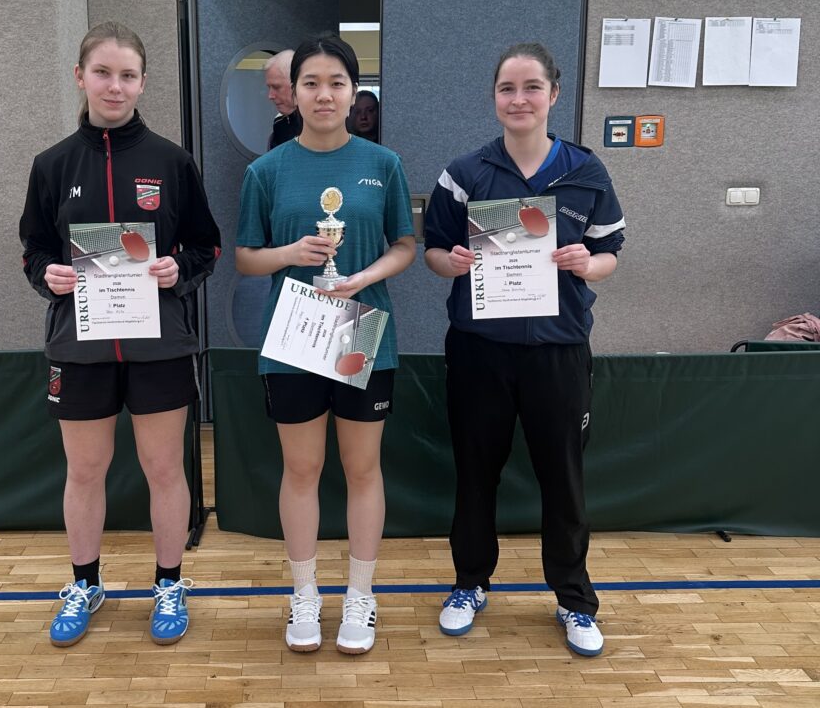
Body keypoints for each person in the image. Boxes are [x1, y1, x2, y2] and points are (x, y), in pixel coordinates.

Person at [19, 21, 221, 648]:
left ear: (143, 82)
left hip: (159, 344)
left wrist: (178, 269)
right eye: (103, 73)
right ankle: (85, 584)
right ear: (79, 77)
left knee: (164, 467)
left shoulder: (172, 161)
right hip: (80, 347)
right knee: (85, 470)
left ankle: (169, 584)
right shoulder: (52, 165)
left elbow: (206, 246)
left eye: (127, 75)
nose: (115, 86)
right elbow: (34, 250)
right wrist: (47, 275)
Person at [423, 43, 625, 657]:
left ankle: (573, 599)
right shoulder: (464, 173)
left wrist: (587, 262)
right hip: (480, 351)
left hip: (558, 351)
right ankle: (469, 583)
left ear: (553, 94)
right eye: (507, 88)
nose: (519, 99)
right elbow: (433, 252)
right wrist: (453, 261)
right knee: (474, 473)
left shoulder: (586, 171)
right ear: (494, 97)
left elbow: (610, 253)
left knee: (563, 479)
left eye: (531, 87)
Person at [235, 34, 416, 655]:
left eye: (336, 83)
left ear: (353, 91)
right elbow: (246, 258)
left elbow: (405, 245)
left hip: (363, 329)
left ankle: (361, 596)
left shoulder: (383, 164)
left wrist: (362, 278)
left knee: (363, 470)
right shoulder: (265, 171)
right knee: (302, 469)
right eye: (311, 83)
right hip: (295, 336)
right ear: (294, 93)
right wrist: (291, 253)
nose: (324, 94)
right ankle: (305, 593)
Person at [264, 49, 302, 149]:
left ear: (297, 83)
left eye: (276, 87)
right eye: (269, 87)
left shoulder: (327, 120)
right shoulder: (280, 124)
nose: (270, 96)